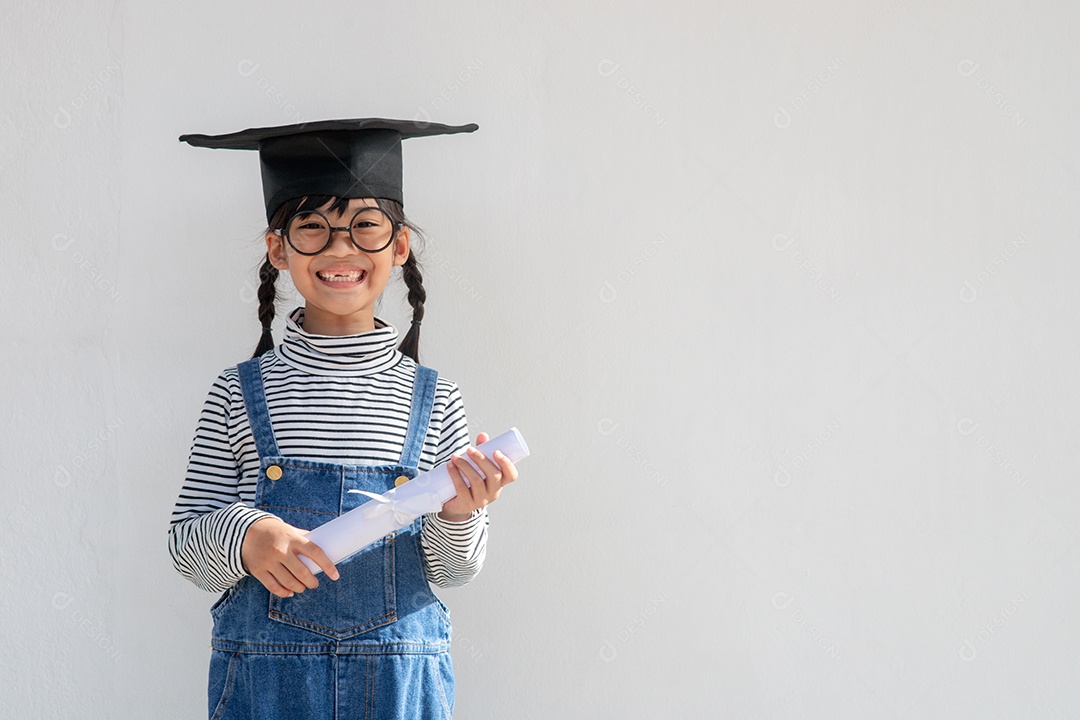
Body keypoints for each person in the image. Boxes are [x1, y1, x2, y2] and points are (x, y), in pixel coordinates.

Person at [168, 118, 518, 719]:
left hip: (399, 688)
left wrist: (460, 513)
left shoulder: (436, 399)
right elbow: (185, 545)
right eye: (312, 226)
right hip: (268, 688)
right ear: (278, 249)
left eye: (364, 226)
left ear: (399, 246)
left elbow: (454, 570)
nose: (340, 249)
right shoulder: (238, 393)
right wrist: (248, 536)